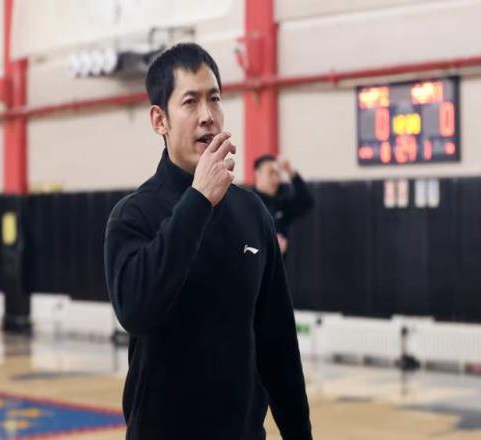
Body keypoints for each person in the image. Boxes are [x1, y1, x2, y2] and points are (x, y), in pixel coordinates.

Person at [104, 43, 312, 439]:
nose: (207, 115)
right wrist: (198, 200)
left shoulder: (252, 212)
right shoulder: (133, 216)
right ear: (159, 120)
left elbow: (278, 344)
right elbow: (136, 310)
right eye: (190, 102)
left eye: (214, 99)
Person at [253, 155, 314, 255]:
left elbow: (306, 202)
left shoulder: (280, 203)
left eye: (277, 174)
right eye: (271, 173)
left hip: (279, 263)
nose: (275, 179)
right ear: (258, 174)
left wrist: (289, 170)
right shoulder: (247, 202)